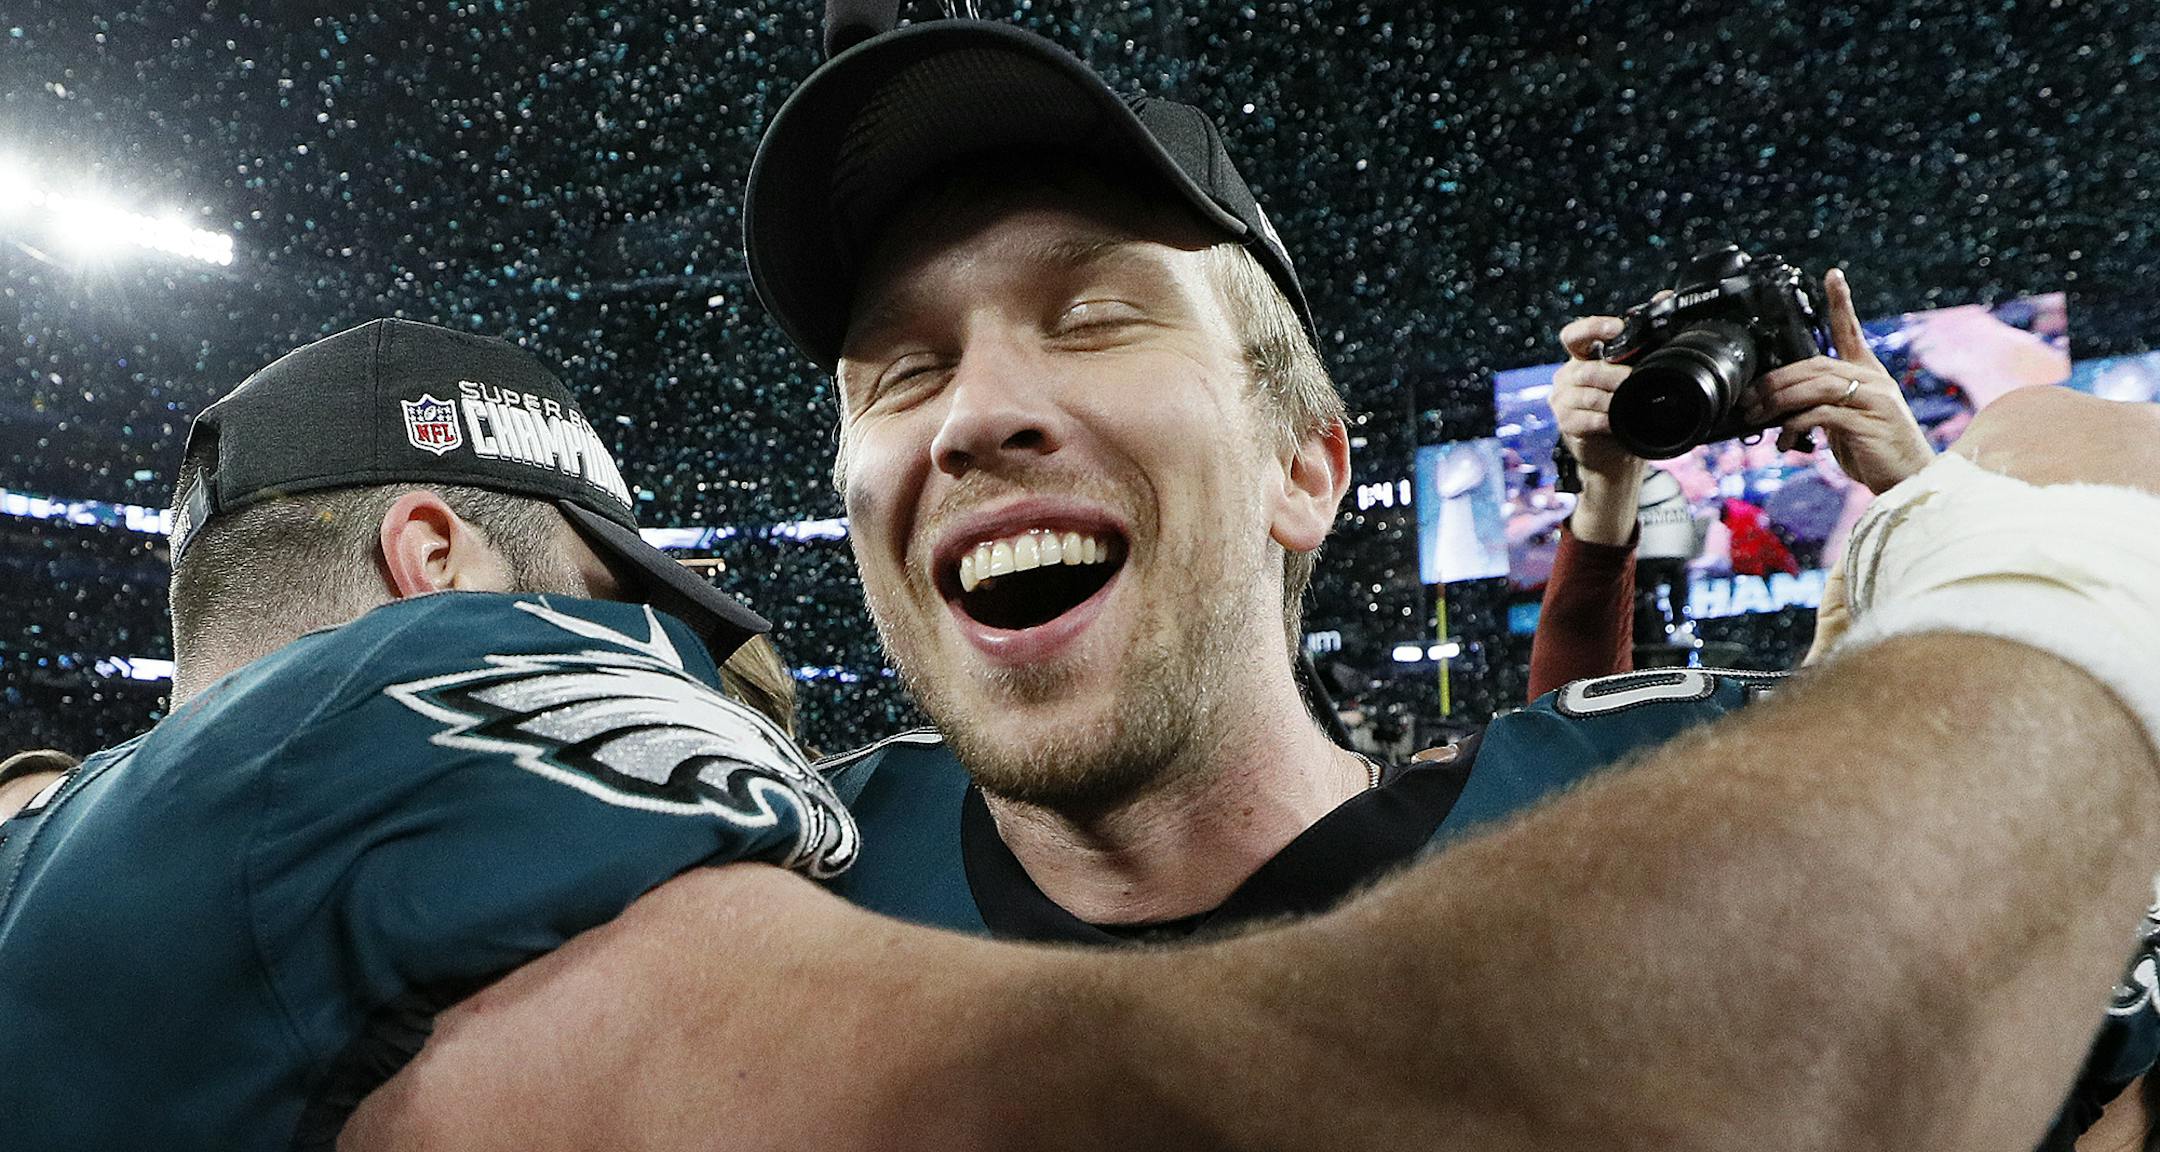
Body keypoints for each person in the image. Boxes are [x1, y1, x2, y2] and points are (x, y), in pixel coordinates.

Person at [0, 319, 856, 1152]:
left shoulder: (39, 837)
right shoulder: (371, 753)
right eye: (596, 596)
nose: (629, 636)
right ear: (435, 559)